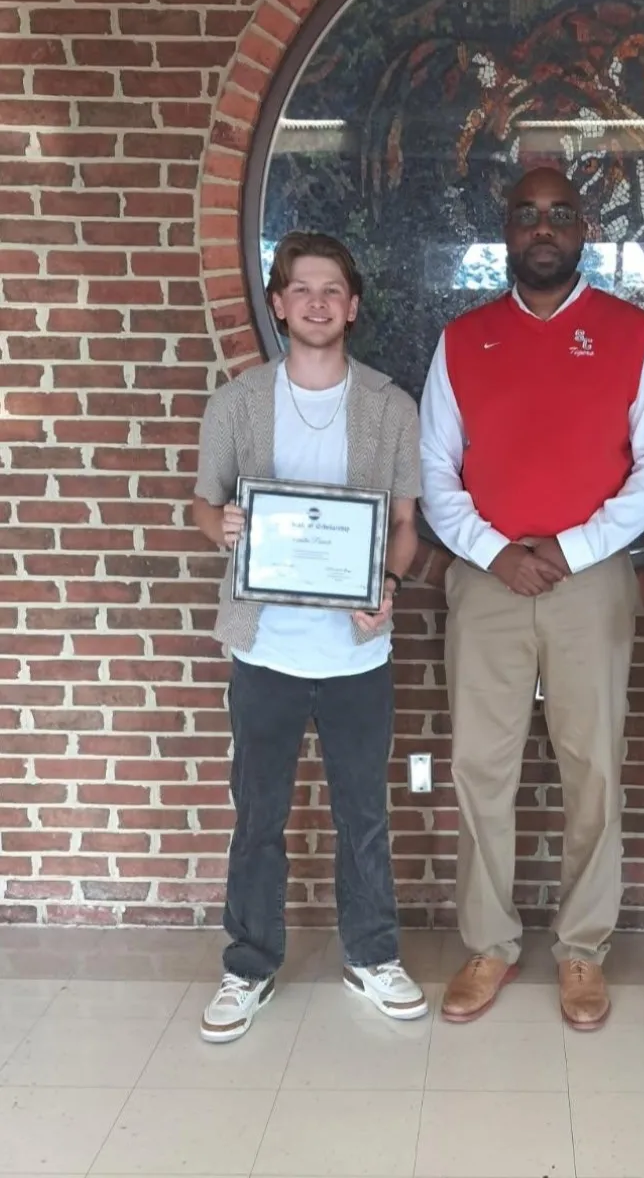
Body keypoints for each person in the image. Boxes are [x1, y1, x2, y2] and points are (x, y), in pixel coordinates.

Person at [420, 167, 644, 1029]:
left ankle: (583, 950)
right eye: (526, 216)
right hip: (486, 580)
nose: (543, 229)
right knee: (480, 768)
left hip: (590, 583)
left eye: (559, 216)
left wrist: (570, 548)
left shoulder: (631, 334)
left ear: (583, 229)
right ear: (507, 230)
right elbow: (433, 471)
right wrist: (496, 551)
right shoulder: (463, 339)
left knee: (594, 768)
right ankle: (489, 943)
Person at [192, 230, 427, 1043]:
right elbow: (203, 503)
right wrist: (219, 524)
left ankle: (372, 955)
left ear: (352, 306)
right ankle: (248, 964)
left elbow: (404, 525)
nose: (318, 302)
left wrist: (388, 586)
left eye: (333, 290)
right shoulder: (238, 402)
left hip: (357, 652)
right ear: (280, 302)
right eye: (303, 289)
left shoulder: (392, 406)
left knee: (363, 812)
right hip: (264, 650)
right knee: (258, 815)